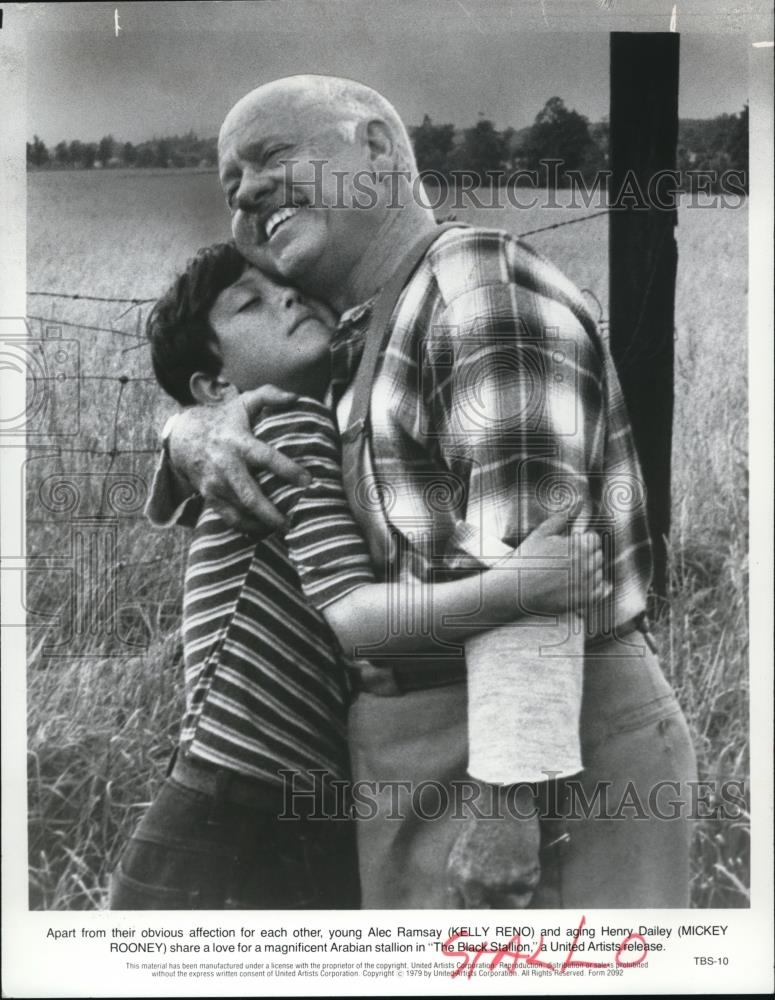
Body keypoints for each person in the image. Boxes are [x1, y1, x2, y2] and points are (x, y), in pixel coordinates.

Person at [153, 75, 698, 909]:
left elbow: (534, 562)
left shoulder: (477, 287)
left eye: (269, 158)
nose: (249, 193)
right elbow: (235, 434)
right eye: (233, 189)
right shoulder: (356, 337)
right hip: (416, 751)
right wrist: (187, 430)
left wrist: (507, 803)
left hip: (540, 754)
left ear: (373, 147)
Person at [110, 241, 605, 909]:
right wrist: (521, 586)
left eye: (283, 288)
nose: (286, 297)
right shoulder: (289, 430)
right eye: (250, 304)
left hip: (247, 784)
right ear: (215, 386)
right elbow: (354, 617)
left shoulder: (303, 423)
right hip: (244, 796)